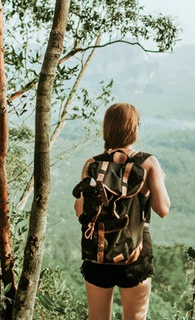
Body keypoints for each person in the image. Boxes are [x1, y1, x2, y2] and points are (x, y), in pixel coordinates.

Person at [74, 102, 171, 320]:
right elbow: (163, 209)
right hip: (134, 250)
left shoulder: (92, 164)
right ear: (134, 128)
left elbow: (80, 211)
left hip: (99, 249)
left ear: (107, 129)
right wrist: (158, 181)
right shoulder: (147, 163)